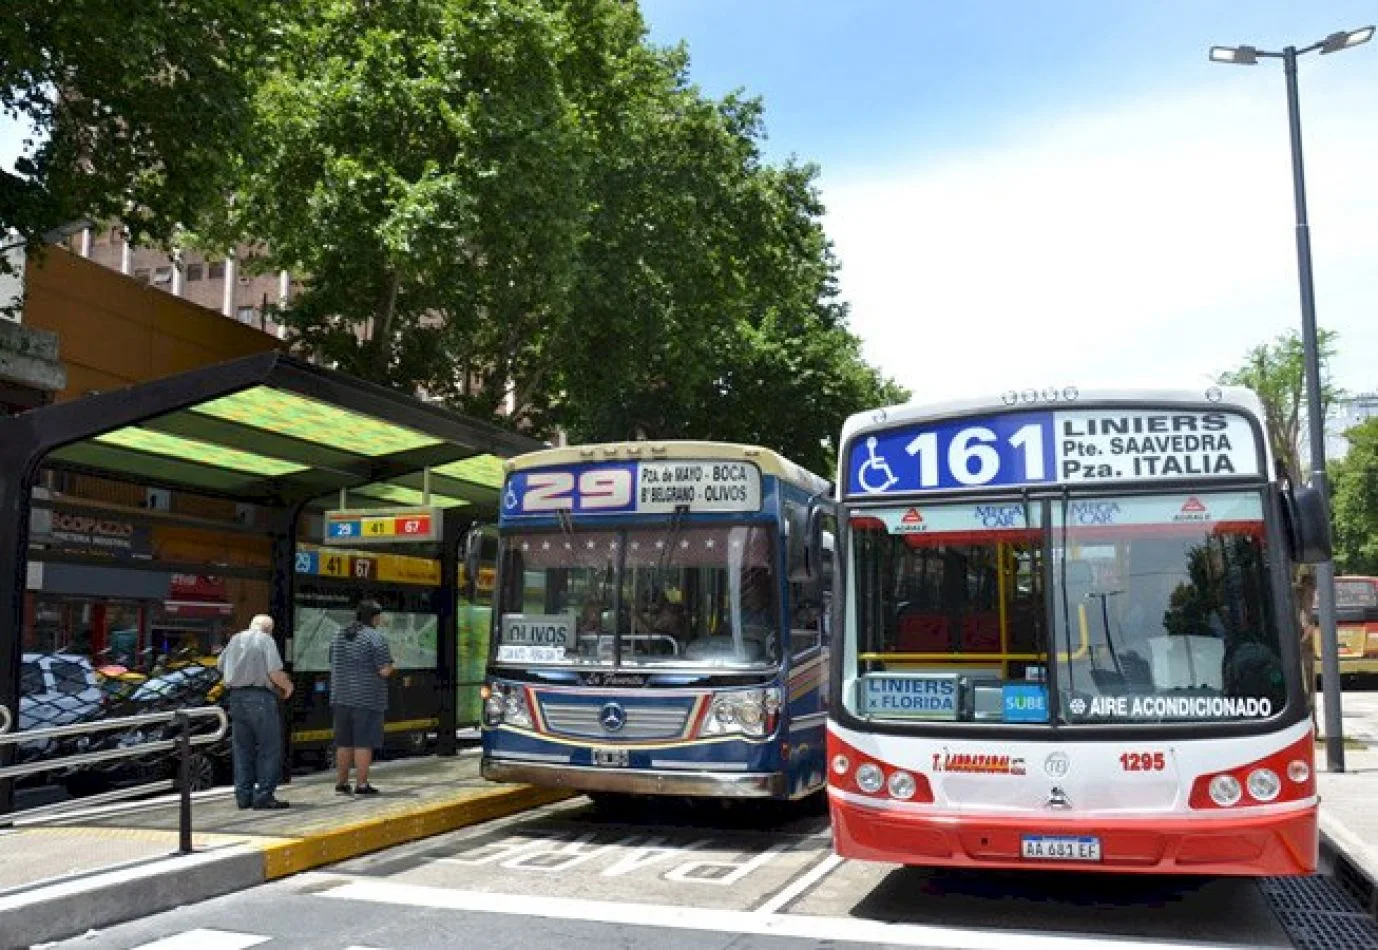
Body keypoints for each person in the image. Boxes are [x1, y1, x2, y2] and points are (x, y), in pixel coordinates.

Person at [217, 614, 294, 810]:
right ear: (269, 629)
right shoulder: (265, 640)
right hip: (260, 697)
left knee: (243, 748)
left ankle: (243, 796)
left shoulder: (235, 639)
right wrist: (288, 687)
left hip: (236, 698)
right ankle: (264, 795)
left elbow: (220, 665)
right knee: (269, 748)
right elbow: (274, 673)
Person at [329, 599, 394, 796]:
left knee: (344, 742)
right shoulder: (375, 638)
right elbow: (384, 670)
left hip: (341, 697)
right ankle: (362, 784)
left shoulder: (339, 635)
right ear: (374, 617)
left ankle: (341, 783)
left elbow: (332, 660)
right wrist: (392, 666)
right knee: (364, 742)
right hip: (367, 699)